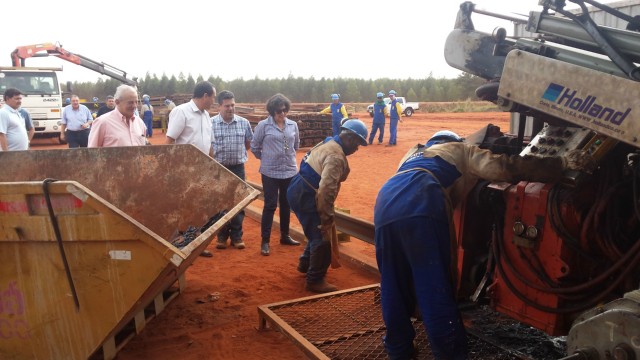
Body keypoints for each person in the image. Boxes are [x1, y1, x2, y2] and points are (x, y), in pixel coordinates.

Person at [373, 130, 597, 360]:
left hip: (384, 202)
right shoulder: (460, 149)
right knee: (435, 288)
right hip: (423, 202)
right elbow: (502, 167)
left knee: (393, 283)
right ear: (455, 141)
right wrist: (560, 163)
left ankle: (399, 351)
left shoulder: (412, 154)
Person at [286, 119, 368, 293]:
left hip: (298, 186)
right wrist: (327, 216)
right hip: (306, 194)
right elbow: (326, 191)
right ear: (350, 138)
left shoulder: (329, 141)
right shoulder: (336, 156)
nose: (356, 149)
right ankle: (315, 279)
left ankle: (305, 263)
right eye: (358, 144)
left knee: (313, 230)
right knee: (322, 235)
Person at [165, 81, 216, 257]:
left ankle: (195, 242)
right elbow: (169, 141)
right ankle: (175, 244)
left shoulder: (206, 115)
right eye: (213, 97)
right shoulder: (182, 112)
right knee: (180, 206)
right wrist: (171, 167)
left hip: (202, 171)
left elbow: (208, 142)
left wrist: (211, 164)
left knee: (198, 206)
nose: (213, 101)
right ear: (205, 96)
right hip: (184, 170)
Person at [250, 93, 301, 256]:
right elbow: (255, 146)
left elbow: (296, 145)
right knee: (270, 205)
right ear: (272, 111)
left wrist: (287, 156)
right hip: (270, 172)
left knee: (286, 205)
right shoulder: (263, 126)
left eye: (285, 110)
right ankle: (265, 241)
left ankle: (285, 236)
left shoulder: (292, 125)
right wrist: (266, 159)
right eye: (279, 111)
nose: (282, 114)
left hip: (289, 171)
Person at [211, 90, 253, 250]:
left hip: (238, 168)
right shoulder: (211, 123)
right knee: (219, 203)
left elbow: (248, 144)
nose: (230, 108)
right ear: (219, 106)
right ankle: (221, 236)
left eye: (233, 105)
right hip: (218, 169)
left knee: (239, 203)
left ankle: (236, 236)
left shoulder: (244, 123)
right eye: (227, 106)